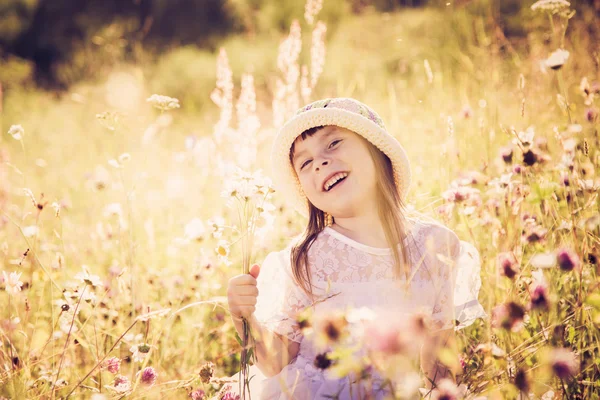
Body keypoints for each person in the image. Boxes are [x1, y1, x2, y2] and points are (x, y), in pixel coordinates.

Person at [227, 98, 486, 399]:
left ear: (376, 151)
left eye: (333, 143)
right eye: (306, 163)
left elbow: (440, 361)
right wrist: (245, 318)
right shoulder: (307, 259)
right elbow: (275, 361)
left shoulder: (437, 245)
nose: (320, 162)